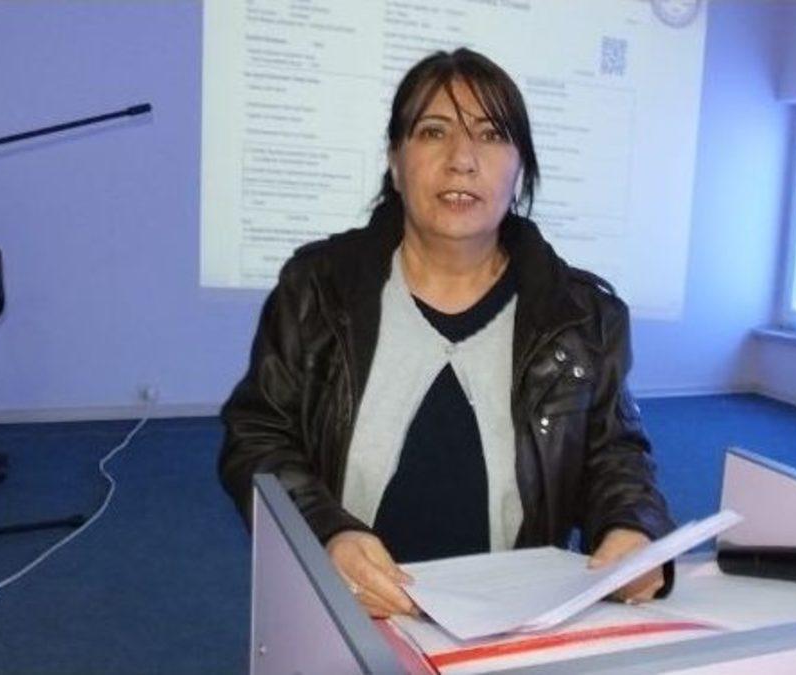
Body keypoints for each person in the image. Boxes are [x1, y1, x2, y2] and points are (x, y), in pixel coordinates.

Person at [218, 48, 674, 619]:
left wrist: (632, 526)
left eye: (491, 135)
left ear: (520, 167)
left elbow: (615, 455)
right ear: (395, 160)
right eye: (433, 131)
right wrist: (324, 531)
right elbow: (258, 437)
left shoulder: (583, 316)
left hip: (512, 623)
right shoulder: (318, 288)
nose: (462, 160)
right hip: (347, 614)